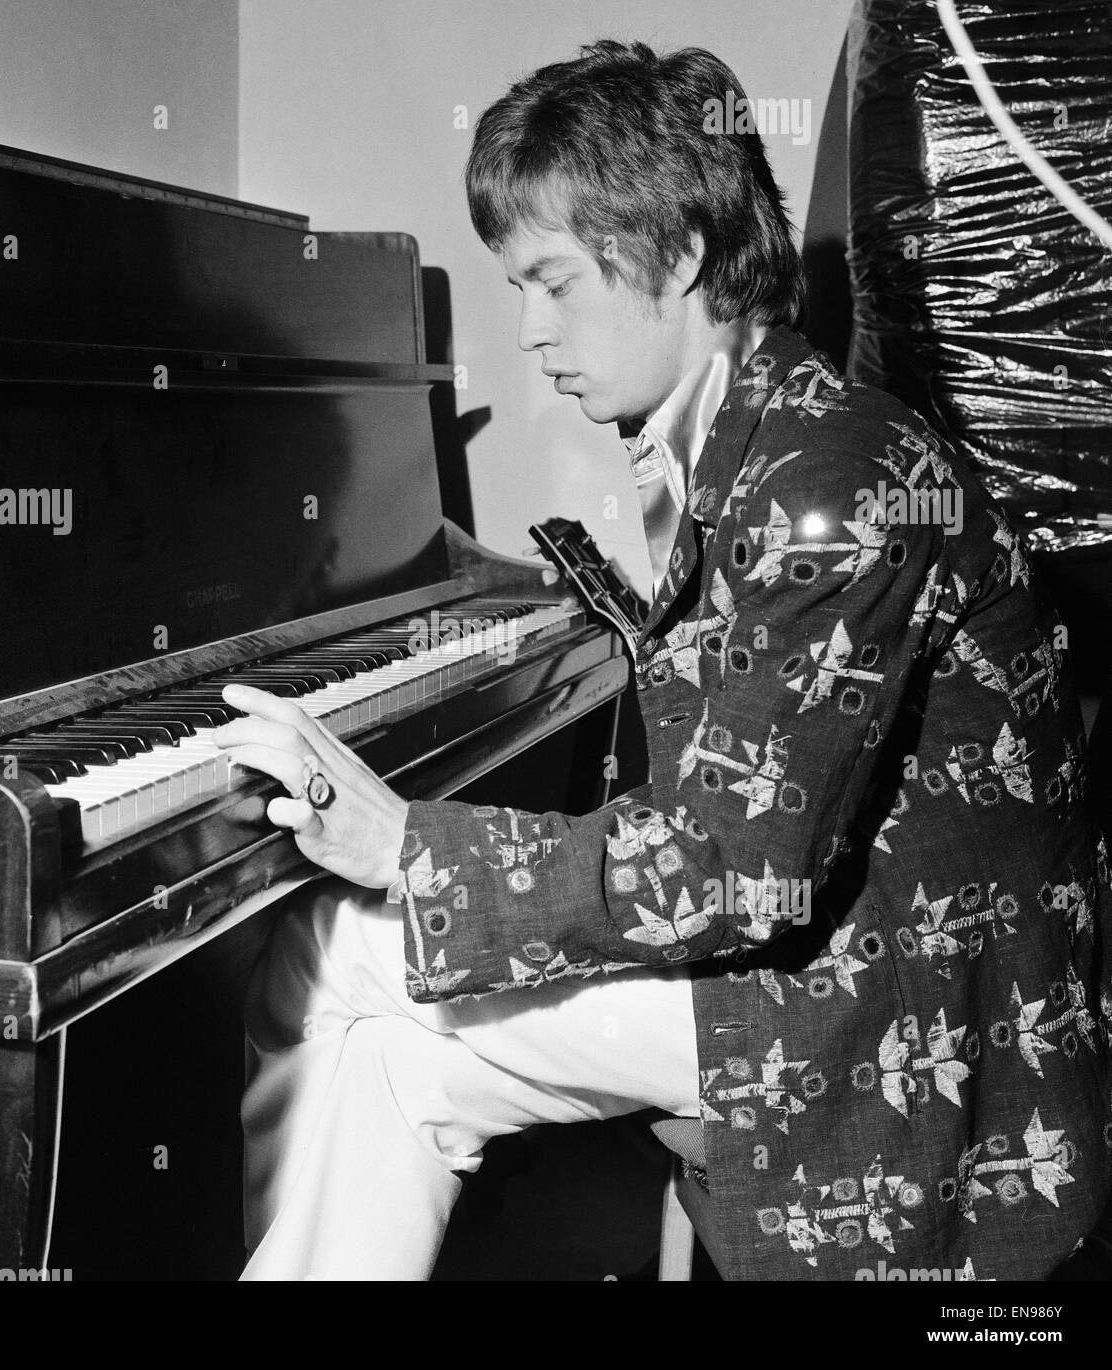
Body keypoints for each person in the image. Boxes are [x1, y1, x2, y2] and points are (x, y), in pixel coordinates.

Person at [214, 39, 1112, 1280]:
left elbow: (739, 866)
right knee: (396, 1057)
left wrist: (403, 842)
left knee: (339, 945)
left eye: (553, 283)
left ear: (678, 254)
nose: (526, 333)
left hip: (902, 1011)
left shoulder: (830, 482)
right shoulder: (763, 435)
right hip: (843, 953)